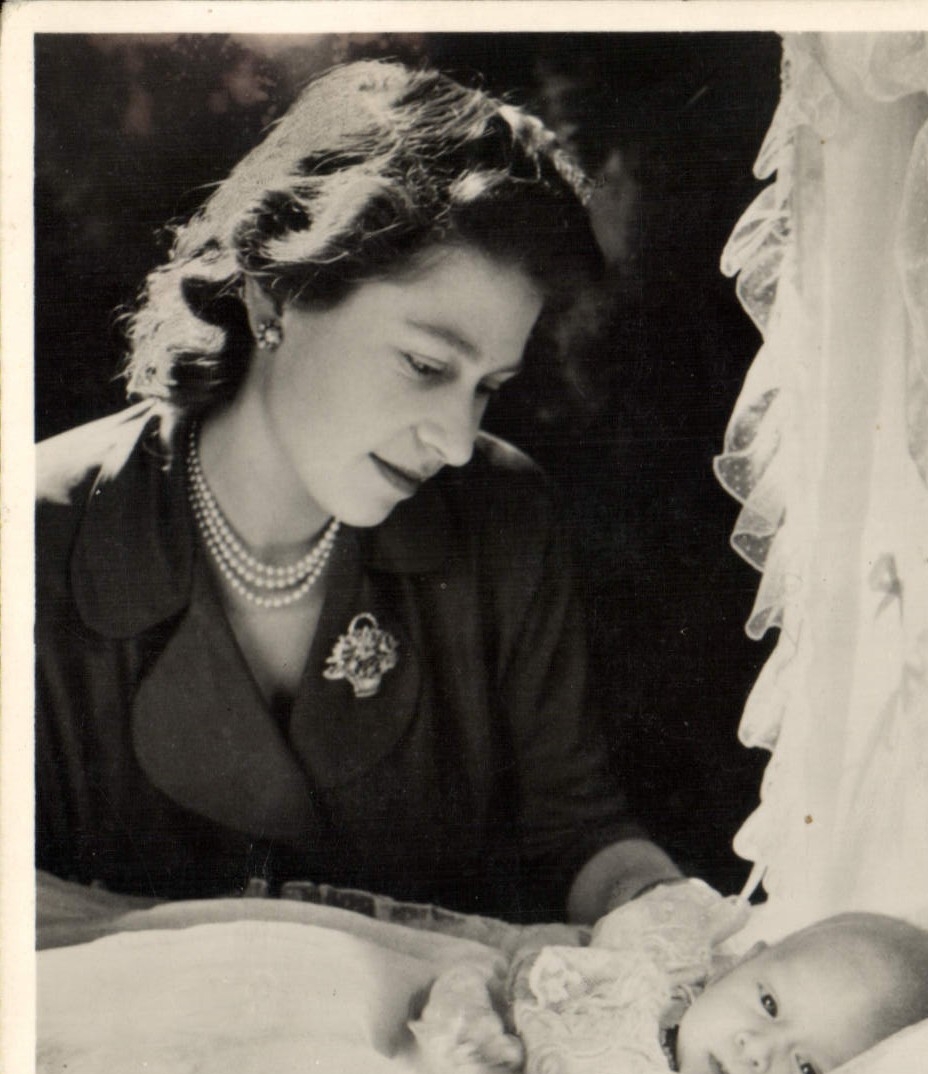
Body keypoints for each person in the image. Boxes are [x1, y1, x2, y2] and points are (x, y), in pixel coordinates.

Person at [36, 59, 682, 923]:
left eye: (488, 387)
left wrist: (657, 910)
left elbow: (576, 831)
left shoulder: (502, 517)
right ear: (276, 295)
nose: (455, 441)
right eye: (425, 365)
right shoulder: (34, 537)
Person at [415, 904, 928, 1074]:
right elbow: (517, 970)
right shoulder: (636, 984)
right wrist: (476, 1013)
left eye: (807, 1069)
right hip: (443, 1068)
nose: (757, 1049)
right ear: (742, 963)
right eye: (769, 1005)